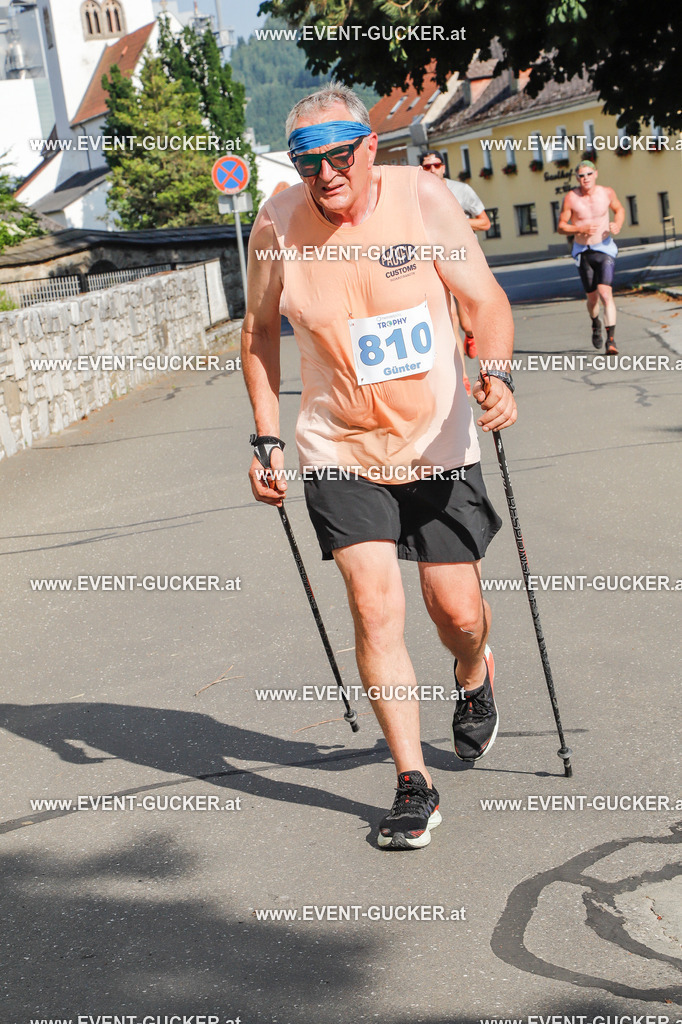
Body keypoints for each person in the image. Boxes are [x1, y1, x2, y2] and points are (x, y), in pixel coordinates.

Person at [242, 84, 517, 851]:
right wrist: (265, 438)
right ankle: (411, 783)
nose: (324, 175)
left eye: (337, 156)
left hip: (435, 440)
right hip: (340, 448)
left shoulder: (423, 199)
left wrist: (495, 373)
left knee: (457, 613)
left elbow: (486, 301)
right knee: (374, 606)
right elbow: (259, 332)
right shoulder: (276, 225)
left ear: (369, 148)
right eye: (306, 163)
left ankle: (473, 673)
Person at [420, 150, 491, 363]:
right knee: (449, 318)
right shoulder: (416, 193)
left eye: (436, 165)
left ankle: (470, 335)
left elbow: (485, 223)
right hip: (433, 260)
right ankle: (461, 378)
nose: (432, 169)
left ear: (443, 167)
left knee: (466, 323)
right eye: (426, 166)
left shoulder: (462, 190)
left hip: (462, 258)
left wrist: (456, 221)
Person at [558, 160, 625, 354]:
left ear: (595, 174)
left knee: (606, 293)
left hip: (605, 249)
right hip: (583, 250)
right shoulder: (571, 198)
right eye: (581, 175)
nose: (585, 178)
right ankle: (595, 322)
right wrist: (579, 228)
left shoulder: (607, 193)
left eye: (588, 174)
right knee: (592, 298)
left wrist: (617, 224)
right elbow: (562, 226)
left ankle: (611, 340)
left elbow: (619, 209)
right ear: (577, 178)